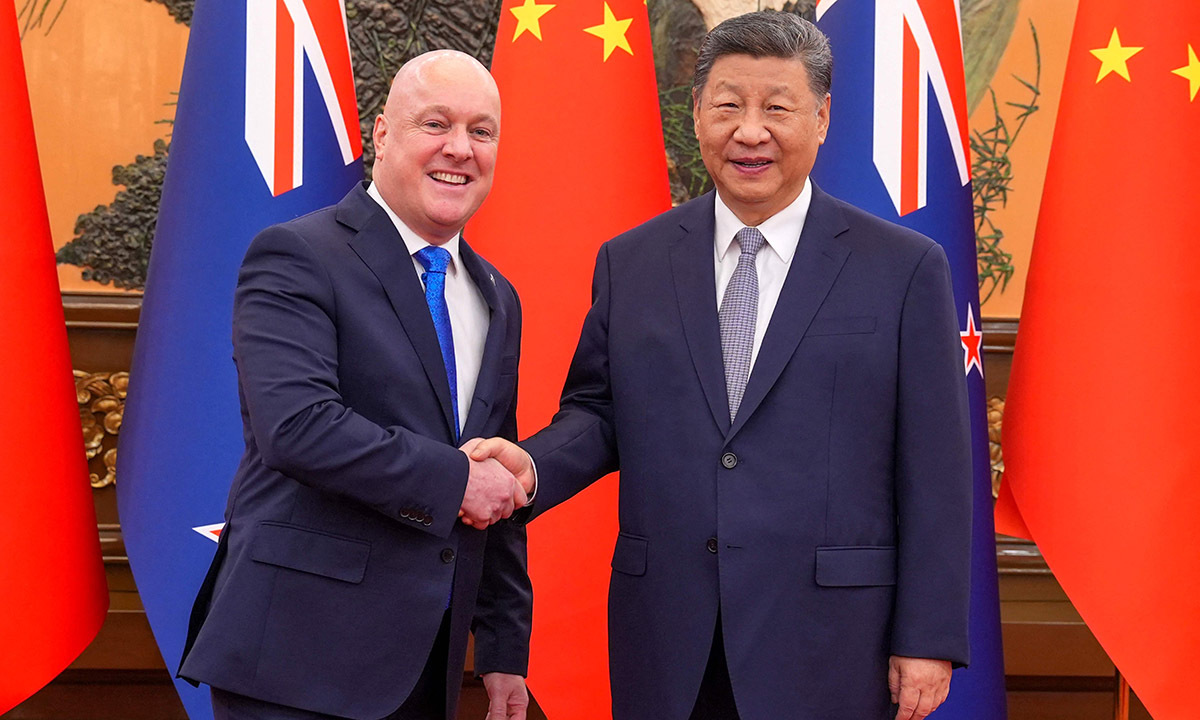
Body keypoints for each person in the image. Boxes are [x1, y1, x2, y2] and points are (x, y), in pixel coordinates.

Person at [471, 12, 971, 720]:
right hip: (669, 635)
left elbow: (936, 467)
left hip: (832, 641)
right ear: (699, 112)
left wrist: (927, 637)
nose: (750, 132)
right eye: (729, 105)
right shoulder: (633, 262)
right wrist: (530, 465)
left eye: (777, 109)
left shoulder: (903, 268)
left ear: (822, 119)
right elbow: (600, 413)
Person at [178, 50, 533, 720]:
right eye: (436, 123)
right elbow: (298, 428)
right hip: (295, 662)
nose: (460, 149)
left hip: (425, 666)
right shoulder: (297, 255)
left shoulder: (497, 296)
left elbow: (497, 467)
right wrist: (457, 480)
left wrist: (503, 646)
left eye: (481, 131)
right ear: (383, 134)